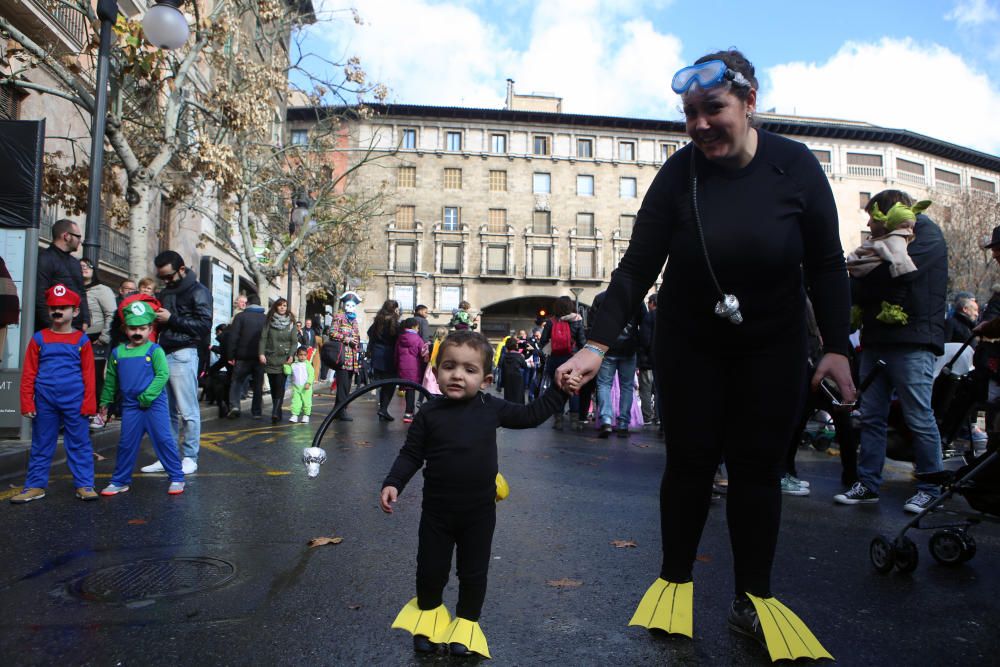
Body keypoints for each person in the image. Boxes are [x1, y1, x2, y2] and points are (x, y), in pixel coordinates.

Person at [555, 50, 847, 661]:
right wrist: (596, 342)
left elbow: (824, 264)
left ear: (749, 101)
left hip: (772, 342)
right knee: (688, 463)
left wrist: (838, 348)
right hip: (690, 340)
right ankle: (674, 582)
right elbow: (636, 268)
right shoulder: (678, 173)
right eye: (689, 114)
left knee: (757, 469)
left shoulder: (795, 168)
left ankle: (753, 598)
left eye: (712, 109)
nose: (698, 125)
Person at [380, 330, 575, 658]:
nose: (457, 374)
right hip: (437, 512)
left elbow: (531, 415)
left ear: (485, 380)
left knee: (473, 573)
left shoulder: (491, 408)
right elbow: (412, 454)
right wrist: (393, 482)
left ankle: (465, 629)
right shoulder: (429, 413)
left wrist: (560, 392)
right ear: (436, 371)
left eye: (469, 370)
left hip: (478, 513)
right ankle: (427, 625)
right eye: (449, 366)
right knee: (430, 570)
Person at [834, 189, 946, 514]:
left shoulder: (926, 235)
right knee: (871, 417)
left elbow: (900, 275)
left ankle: (930, 486)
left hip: (913, 341)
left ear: (888, 213)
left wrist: (869, 278)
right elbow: (860, 283)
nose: (869, 223)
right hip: (877, 339)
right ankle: (868, 484)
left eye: (872, 215)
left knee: (918, 416)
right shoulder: (876, 244)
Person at [13, 285, 97, 503]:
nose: (57, 312)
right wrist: (27, 402)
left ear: (75, 311)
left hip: (75, 400)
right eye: (53, 308)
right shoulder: (39, 339)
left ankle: (85, 484)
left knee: (79, 443)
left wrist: (89, 403)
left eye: (63, 307)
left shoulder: (82, 340)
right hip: (44, 400)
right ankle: (35, 486)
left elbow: (89, 375)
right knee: (41, 443)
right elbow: (29, 372)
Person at [98, 301, 185, 496]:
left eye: (142, 328)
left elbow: (162, 375)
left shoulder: (155, 350)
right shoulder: (117, 352)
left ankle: (177, 477)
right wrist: (105, 401)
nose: (137, 332)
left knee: (164, 441)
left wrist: (147, 396)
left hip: (154, 405)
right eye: (133, 328)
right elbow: (111, 380)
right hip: (131, 406)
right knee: (126, 444)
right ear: (125, 328)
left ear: (150, 329)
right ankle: (120, 481)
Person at [142, 251, 212, 476]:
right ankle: (168, 457)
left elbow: (203, 325)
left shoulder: (199, 291)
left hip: (184, 352)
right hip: (164, 352)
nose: (166, 281)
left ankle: (190, 456)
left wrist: (171, 319)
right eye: (162, 277)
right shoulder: (167, 291)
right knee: (166, 411)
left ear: (181, 270)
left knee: (187, 410)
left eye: (169, 276)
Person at [846, 199, 931, 326]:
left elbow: (903, 269)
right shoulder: (879, 245)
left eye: (873, 219)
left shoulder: (897, 244)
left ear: (886, 220)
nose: (868, 224)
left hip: (892, 334)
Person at [589, 288, 642, 438]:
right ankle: (623, 423)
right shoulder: (636, 298)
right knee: (627, 386)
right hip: (629, 348)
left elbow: (592, 324)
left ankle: (606, 419)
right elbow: (643, 322)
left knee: (604, 384)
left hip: (607, 347)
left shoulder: (600, 298)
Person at [79, 258, 116, 429]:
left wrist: (104, 337)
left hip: (96, 339)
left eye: (87, 266)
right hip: (79, 338)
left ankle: (98, 413)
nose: (84, 268)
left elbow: (111, 314)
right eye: (80, 266)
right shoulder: (76, 288)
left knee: (95, 377)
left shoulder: (102, 290)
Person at [539, 296, 586, 430]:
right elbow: (582, 342)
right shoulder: (577, 320)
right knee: (573, 388)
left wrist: (549, 349)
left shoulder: (551, 322)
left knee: (557, 388)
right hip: (572, 359)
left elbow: (542, 342)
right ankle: (575, 421)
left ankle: (558, 420)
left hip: (555, 360)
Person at [36, 218, 90, 332]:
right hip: (55, 328)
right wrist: (51, 327)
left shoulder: (75, 262)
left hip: (76, 328)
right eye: (78, 237)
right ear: (66, 236)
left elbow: (81, 292)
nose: (80, 241)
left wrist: (85, 320)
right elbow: (40, 296)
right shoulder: (44, 259)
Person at [225, 294, 266, 419]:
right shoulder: (265, 318)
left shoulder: (240, 317)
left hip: (242, 356)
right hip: (259, 357)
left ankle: (235, 406)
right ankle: (257, 412)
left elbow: (233, 337)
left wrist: (230, 355)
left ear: (247, 303)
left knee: (237, 381)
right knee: (258, 385)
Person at [260, 298, 298, 424]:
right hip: (271, 357)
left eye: (285, 306)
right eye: (280, 306)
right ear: (276, 307)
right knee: (274, 386)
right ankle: (278, 410)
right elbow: (263, 338)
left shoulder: (291, 323)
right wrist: (261, 353)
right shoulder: (269, 321)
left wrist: (292, 355)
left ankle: (275, 411)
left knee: (280, 386)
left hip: (284, 359)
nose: (282, 308)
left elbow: (294, 342)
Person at [329, 291, 363, 421]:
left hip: (352, 358)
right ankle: (341, 411)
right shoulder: (339, 317)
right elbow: (332, 333)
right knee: (343, 386)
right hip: (343, 357)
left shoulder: (354, 320)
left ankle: (337, 410)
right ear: (344, 305)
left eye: (353, 305)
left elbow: (357, 336)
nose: (350, 308)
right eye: (348, 305)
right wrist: (347, 339)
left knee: (347, 386)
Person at [367, 299, 400, 421]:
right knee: (390, 383)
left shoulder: (378, 320)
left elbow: (369, 332)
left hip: (377, 352)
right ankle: (384, 408)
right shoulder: (394, 321)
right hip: (389, 354)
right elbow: (398, 336)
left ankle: (382, 408)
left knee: (381, 382)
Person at [394, 317, 426, 422]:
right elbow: (423, 352)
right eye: (417, 327)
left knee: (407, 389)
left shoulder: (400, 337)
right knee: (413, 389)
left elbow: (396, 354)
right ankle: (410, 413)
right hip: (414, 367)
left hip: (402, 366)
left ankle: (408, 413)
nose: (418, 329)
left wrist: (396, 365)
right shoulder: (417, 339)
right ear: (414, 327)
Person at [637, 295, 658, 426]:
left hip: (647, 362)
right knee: (658, 391)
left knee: (645, 390)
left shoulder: (649, 317)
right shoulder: (667, 316)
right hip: (661, 362)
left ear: (652, 303)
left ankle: (647, 416)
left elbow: (644, 339)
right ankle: (659, 415)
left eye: (648, 303)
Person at [288, 346, 315, 423]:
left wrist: (309, 383)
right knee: (295, 401)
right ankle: (295, 415)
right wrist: (286, 365)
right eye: (301, 355)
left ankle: (306, 415)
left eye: (304, 355)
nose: (303, 357)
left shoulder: (308, 365)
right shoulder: (294, 365)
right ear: (297, 355)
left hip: (306, 387)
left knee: (307, 402)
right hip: (296, 387)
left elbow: (311, 375)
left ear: (307, 355)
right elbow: (288, 372)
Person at [500, 337, 527, 404]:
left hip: (507, 379)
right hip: (518, 379)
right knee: (518, 397)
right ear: (515, 345)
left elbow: (501, 367)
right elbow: (525, 366)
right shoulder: (519, 356)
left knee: (508, 397)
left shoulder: (504, 356)